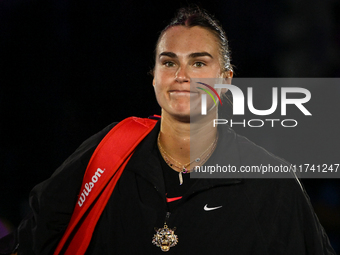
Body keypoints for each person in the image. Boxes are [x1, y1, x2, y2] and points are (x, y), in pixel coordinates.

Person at [1, 6, 336, 254]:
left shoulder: (271, 183)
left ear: (226, 80)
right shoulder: (110, 150)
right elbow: (33, 238)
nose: (182, 76)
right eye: (169, 61)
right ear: (154, 75)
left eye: (199, 63)